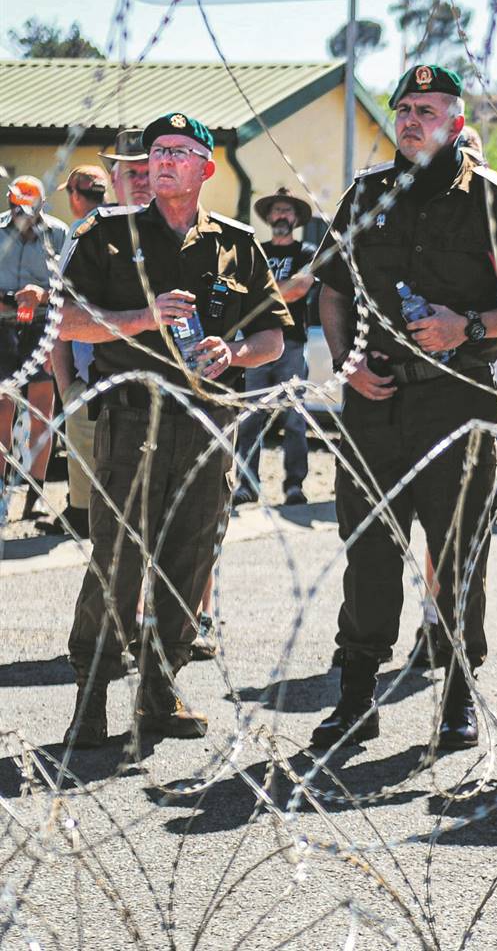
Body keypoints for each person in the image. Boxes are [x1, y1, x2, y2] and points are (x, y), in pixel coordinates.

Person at [310, 65, 497, 753]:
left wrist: (469, 327)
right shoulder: (367, 197)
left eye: (427, 108)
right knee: (369, 553)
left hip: (458, 399)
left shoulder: (494, 200)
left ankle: (454, 698)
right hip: (375, 397)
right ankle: (356, 695)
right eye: (404, 108)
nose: (411, 119)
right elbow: (331, 290)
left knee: (456, 553)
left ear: (455, 118)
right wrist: (346, 361)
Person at [58, 112, 290, 747]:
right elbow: (64, 321)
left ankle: (160, 695)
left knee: (186, 561)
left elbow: (272, 336)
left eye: (178, 152)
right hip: (133, 418)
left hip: (205, 422)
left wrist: (233, 354)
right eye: (155, 152)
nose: (161, 162)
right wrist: (141, 319)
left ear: (206, 168)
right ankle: (91, 695)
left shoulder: (238, 243)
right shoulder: (107, 236)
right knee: (118, 559)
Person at [37, 166, 111, 538]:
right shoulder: (118, 230)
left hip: (90, 372)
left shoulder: (80, 235)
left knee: (85, 450)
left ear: (76, 196)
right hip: (109, 368)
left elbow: (59, 309)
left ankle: (81, 516)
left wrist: (66, 385)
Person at [233, 187, 316, 507]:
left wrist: (261, 292)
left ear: (296, 218)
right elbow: (242, 291)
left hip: (292, 343)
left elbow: (300, 289)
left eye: (288, 211)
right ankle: (247, 485)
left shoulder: (306, 252)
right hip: (254, 344)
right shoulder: (257, 250)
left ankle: (294, 485)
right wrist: (280, 288)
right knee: (250, 418)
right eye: (277, 211)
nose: (282, 216)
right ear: (268, 217)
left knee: (295, 418)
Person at [1, 175, 69, 522]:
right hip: (2, 324)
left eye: (29, 210)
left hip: (42, 322)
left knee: (41, 409)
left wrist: (42, 294)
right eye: (16, 208)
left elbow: (71, 286)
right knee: (2, 408)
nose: (22, 216)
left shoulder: (59, 233)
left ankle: (36, 492)